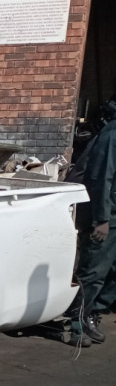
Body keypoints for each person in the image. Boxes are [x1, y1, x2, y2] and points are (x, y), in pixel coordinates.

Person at [64, 113, 116, 346]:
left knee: (111, 272)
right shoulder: (112, 136)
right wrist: (101, 219)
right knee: (93, 272)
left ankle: (93, 313)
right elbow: (101, 177)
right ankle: (77, 323)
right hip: (105, 216)